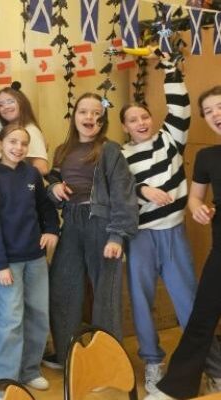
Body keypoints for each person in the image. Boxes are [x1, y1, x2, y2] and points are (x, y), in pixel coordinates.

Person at [122, 60, 221, 396]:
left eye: (144, 116)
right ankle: (153, 362)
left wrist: (170, 69)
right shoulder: (120, 155)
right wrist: (142, 190)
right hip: (140, 237)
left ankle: (213, 367)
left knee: (192, 303)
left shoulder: (170, 139)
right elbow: (117, 190)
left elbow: (180, 106)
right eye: (133, 119)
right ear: (125, 127)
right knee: (141, 301)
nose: (140, 122)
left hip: (174, 232)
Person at [43, 92, 138, 369]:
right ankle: (67, 355)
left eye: (97, 113)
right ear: (75, 116)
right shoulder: (63, 150)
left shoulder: (110, 150)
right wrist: (53, 187)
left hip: (102, 224)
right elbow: (52, 182)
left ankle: (109, 362)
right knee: (62, 288)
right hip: (71, 224)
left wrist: (117, 235)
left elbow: (123, 194)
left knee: (106, 296)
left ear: (103, 120)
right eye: (84, 111)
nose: (90, 117)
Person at [148, 86, 221, 400]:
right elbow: (194, 198)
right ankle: (177, 386)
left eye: (219, 106)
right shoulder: (207, 156)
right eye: (208, 111)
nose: (215, 114)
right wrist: (198, 209)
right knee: (203, 315)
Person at [0, 125, 58, 390]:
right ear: (0, 143)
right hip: (8, 263)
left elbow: (45, 207)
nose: (18, 148)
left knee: (38, 314)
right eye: (12, 142)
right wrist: (0, 264)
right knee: (10, 319)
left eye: (23, 143)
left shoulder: (32, 174)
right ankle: (2, 381)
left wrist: (52, 229)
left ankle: (29, 370)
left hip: (35, 258)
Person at [0, 85, 50, 176]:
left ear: (21, 102)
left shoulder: (30, 130)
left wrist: (15, 179)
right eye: (1, 105)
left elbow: (42, 168)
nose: (6, 107)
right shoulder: (6, 131)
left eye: (10, 101)